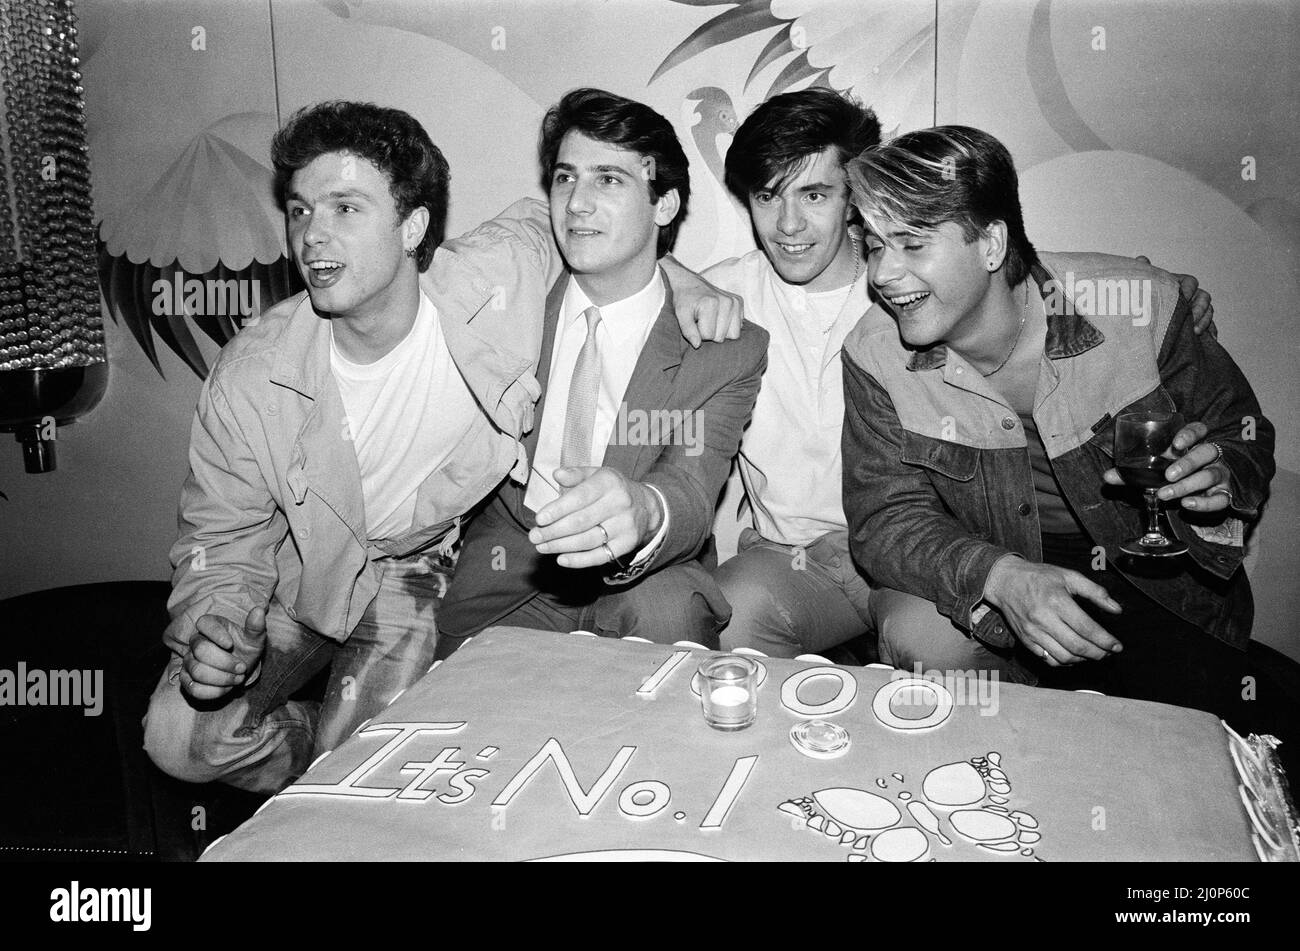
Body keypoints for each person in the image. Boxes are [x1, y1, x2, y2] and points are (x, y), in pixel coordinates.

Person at [142, 100, 744, 794]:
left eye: (345, 208)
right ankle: (312, 752)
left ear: (413, 226)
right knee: (178, 740)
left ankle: (338, 764)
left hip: (413, 569)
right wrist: (211, 622)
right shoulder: (250, 378)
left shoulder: (491, 283)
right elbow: (218, 538)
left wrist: (680, 280)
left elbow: (588, 234)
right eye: (302, 210)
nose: (312, 236)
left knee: (370, 776)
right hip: (296, 577)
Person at [705, 89, 1214, 661]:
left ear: (856, 198)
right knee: (728, 621)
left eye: (815, 194)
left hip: (928, 548)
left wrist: (1153, 297)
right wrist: (673, 280)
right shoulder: (718, 298)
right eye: (766, 195)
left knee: (935, 647)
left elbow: (1021, 275)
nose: (788, 224)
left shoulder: (920, 291)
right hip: (794, 556)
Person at [841, 126, 1282, 740]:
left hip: (1153, 573)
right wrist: (999, 575)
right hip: (995, 565)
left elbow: (1244, 431)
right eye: (873, 246)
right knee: (1007, 752)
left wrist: (1222, 473)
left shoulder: (1142, 307)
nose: (884, 274)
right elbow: (885, 518)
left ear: (991, 242)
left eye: (912, 244)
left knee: (1190, 753)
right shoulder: (872, 354)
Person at [436, 88, 768, 650]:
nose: (577, 204)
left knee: (668, 612)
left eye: (609, 180)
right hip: (514, 572)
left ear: (663, 205)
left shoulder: (723, 350)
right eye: (566, 178)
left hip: (644, 578)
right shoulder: (510, 301)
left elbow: (690, 483)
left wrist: (642, 510)